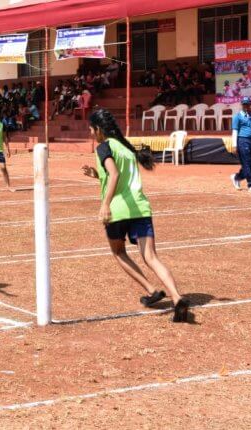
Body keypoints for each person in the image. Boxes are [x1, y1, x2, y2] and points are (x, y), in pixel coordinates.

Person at [81, 109, 189, 323]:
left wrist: (105, 204)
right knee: (151, 257)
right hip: (140, 208)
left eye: (92, 129)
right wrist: (96, 175)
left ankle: (150, 289)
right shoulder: (126, 147)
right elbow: (116, 176)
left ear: (99, 130)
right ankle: (177, 298)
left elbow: (114, 174)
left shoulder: (104, 147)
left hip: (118, 210)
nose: (92, 133)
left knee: (119, 252)